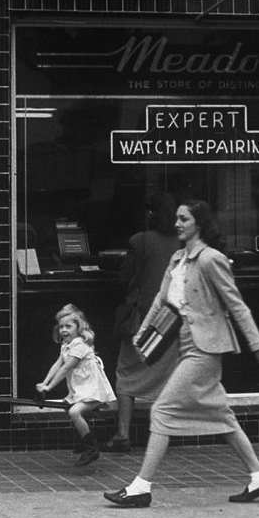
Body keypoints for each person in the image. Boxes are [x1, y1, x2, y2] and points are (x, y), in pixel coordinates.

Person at [104, 200, 259, 508]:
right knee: (222, 415)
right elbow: (162, 301)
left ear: (198, 223)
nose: (177, 223)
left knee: (161, 410)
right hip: (184, 344)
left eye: (183, 218)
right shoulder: (177, 259)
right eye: (176, 218)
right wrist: (142, 335)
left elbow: (236, 305)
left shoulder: (211, 259)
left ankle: (140, 487)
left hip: (205, 348)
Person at [105, 192, 181, 452]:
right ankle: (164, 434)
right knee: (168, 377)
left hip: (142, 320)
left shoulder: (140, 240)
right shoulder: (185, 243)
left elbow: (125, 277)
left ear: (152, 214)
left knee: (127, 374)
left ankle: (123, 434)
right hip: (172, 321)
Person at [36, 304, 117, 466]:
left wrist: (49, 387)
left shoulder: (80, 345)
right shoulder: (67, 344)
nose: (64, 330)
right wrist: (44, 382)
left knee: (74, 412)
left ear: (78, 327)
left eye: (68, 326)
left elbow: (66, 368)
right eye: (61, 327)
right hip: (82, 388)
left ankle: (91, 448)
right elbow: (57, 364)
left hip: (93, 389)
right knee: (71, 409)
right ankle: (84, 437)